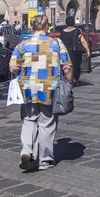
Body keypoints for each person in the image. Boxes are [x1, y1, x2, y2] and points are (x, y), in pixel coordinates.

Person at [10, 15, 73, 172]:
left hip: (28, 88)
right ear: (47, 27)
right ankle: (45, 160)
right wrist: (70, 83)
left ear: (32, 27)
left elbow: (13, 68)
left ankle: (27, 151)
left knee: (29, 120)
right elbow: (67, 67)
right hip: (49, 88)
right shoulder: (56, 43)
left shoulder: (22, 44)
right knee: (47, 122)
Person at [59, 16, 90, 87]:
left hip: (65, 51)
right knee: (76, 65)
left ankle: (67, 79)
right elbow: (83, 41)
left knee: (66, 65)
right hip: (75, 51)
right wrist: (88, 50)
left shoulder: (62, 32)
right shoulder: (77, 31)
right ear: (73, 22)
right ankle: (75, 79)